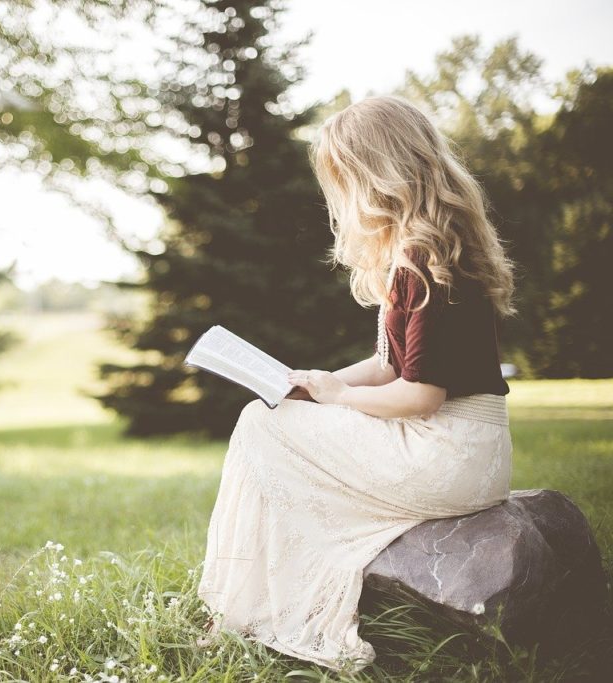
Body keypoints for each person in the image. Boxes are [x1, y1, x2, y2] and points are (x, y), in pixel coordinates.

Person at [195, 94, 517, 674]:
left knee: (257, 425)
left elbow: (420, 395)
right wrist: (315, 382)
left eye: (344, 178)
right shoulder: (430, 246)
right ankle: (249, 603)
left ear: (377, 175)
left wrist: (338, 399)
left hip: (446, 451)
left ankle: (244, 608)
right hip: (466, 451)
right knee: (271, 416)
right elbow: (388, 365)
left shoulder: (422, 257)